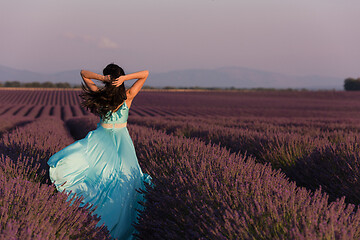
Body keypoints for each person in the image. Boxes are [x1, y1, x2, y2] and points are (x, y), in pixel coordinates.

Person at [47, 63, 151, 240]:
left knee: (99, 174)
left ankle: (97, 220)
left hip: (101, 139)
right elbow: (145, 74)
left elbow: (84, 74)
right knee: (125, 179)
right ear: (120, 78)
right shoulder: (128, 95)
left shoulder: (100, 95)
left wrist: (103, 79)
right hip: (120, 139)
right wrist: (125, 79)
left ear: (108, 78)